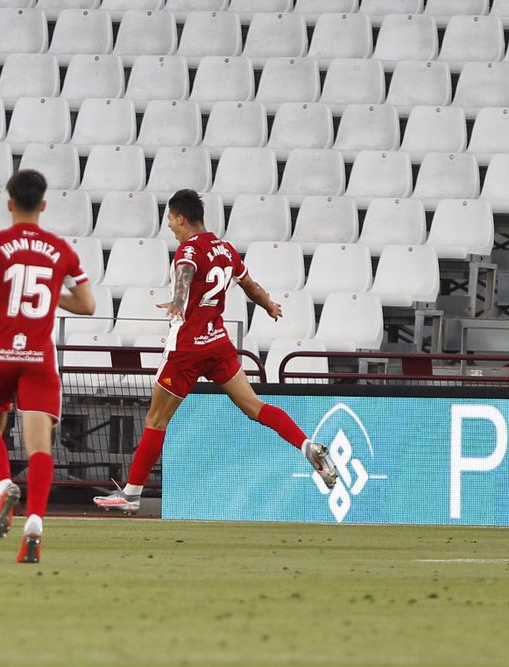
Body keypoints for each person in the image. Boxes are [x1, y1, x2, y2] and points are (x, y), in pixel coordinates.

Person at [94, 188, 339, 514]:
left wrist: (179, 302)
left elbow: (185, 273)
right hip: (218, 344)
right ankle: (307, 445)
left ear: (181, 218)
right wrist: (269, 305)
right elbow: (249, 285)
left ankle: (132, 494)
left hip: (186, 348)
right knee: (255, 406)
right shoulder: (225, 250)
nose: (169, 226)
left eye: (170, 220)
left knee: (156, 419)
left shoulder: (187, 251)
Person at [0, 169, 96, 564]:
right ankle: (35, 523)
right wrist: (53, 295)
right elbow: (88, 305)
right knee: (40, 446)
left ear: (9, 203)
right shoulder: (61, 250)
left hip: (0, 354)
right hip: (39, 359)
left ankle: (5, 485)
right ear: (43, 204)